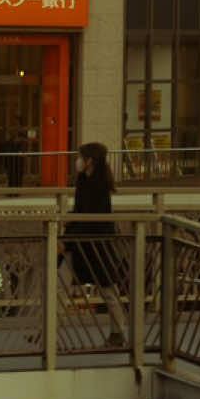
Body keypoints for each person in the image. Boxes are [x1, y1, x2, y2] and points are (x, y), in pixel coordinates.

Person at [62, 142, 127, 348]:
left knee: (108, 290)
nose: (77, 161)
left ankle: (118, 333)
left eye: (81, 157)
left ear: (90, 161)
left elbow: (93, 220)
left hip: (98, 244)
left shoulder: (100, 185)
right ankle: (45, 332)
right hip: (79, 243)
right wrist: (67, 236)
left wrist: (67, 239)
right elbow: (79, 212)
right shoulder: (82, 180)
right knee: (59, 284)